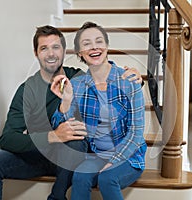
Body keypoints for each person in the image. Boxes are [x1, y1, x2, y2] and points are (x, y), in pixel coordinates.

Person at [0, 25, 143, 200]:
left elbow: (105, 79)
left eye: (56, 47)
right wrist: (53, 136)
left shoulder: (78, 79)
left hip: (72, 157)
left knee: (76, 140)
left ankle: (57, 196)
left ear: (65, 51)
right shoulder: (28, 90)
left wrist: (135, 80)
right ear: (36, 53)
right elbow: (7, 139)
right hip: (37, 156)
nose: (51, 54)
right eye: (44, 48)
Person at [51, 22, 147, 200]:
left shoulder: (128, 80)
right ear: (80, 52)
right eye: (86, 43)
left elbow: (136, 134)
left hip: (129, 156)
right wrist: (65, 101)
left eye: (98, 41)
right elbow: (60, 126)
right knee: (79, 176)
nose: (94, 47)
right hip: (97, 155)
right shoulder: (78, 85)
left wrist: (114, 161)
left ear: (106, 46)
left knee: (107, 178)